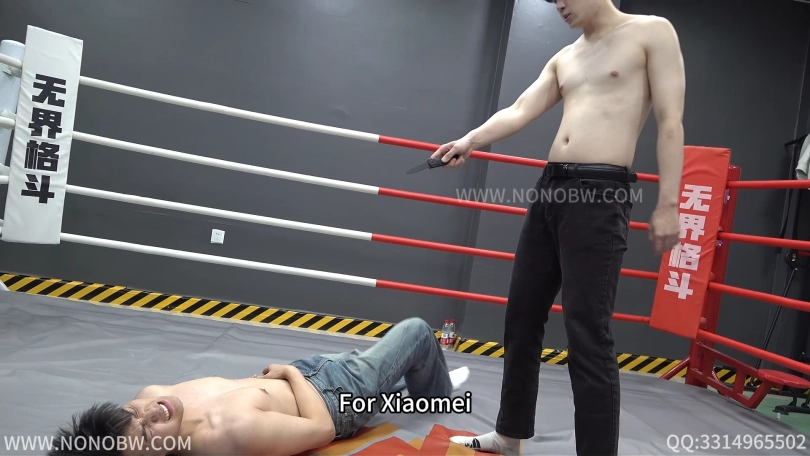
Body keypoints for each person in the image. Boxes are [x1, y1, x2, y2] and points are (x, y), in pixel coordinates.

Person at [437, 1, 685, 455]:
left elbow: (670, 121)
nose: (559, 5)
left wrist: (669, 204)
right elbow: (520, 109)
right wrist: (470, 140)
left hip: (600, 193)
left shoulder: (651, 32)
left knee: (587, 332)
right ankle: (509, 435)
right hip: (550, 190)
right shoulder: (566, 56)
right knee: (521, 317)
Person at [47, 317, 470, 456]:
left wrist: (292, 373)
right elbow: (322, 429)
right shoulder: (229, 431)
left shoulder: (147, 399)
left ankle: (401, 385)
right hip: (334, 397)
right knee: (416, 332)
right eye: (145, 432)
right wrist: (289, 374)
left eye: (132, 413)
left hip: (308, 373)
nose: (152, 410)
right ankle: (436, 395)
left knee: (380, 366)